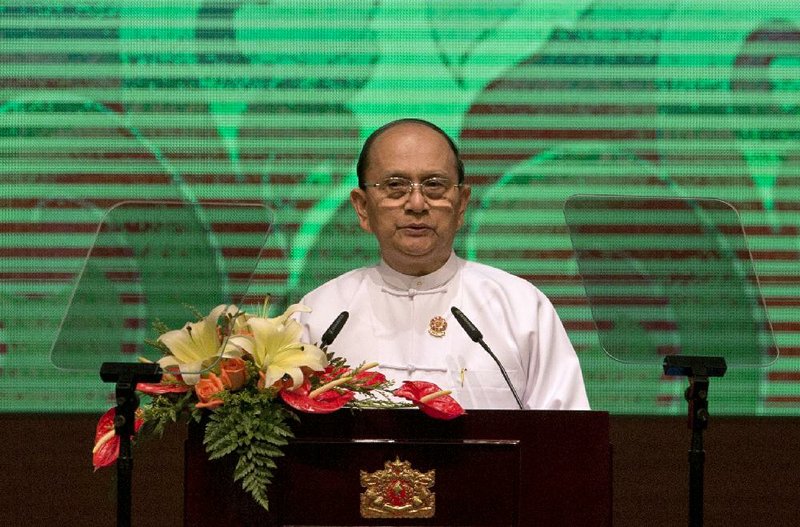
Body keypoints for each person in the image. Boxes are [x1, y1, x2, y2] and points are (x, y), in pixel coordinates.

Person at [296, 118, 589, 409]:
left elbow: (566, 437)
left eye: (434, 185)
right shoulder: (320, 314)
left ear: (461, 204)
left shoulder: (520, 308)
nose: (416, 204)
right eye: (395, 186)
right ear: (362, 207)